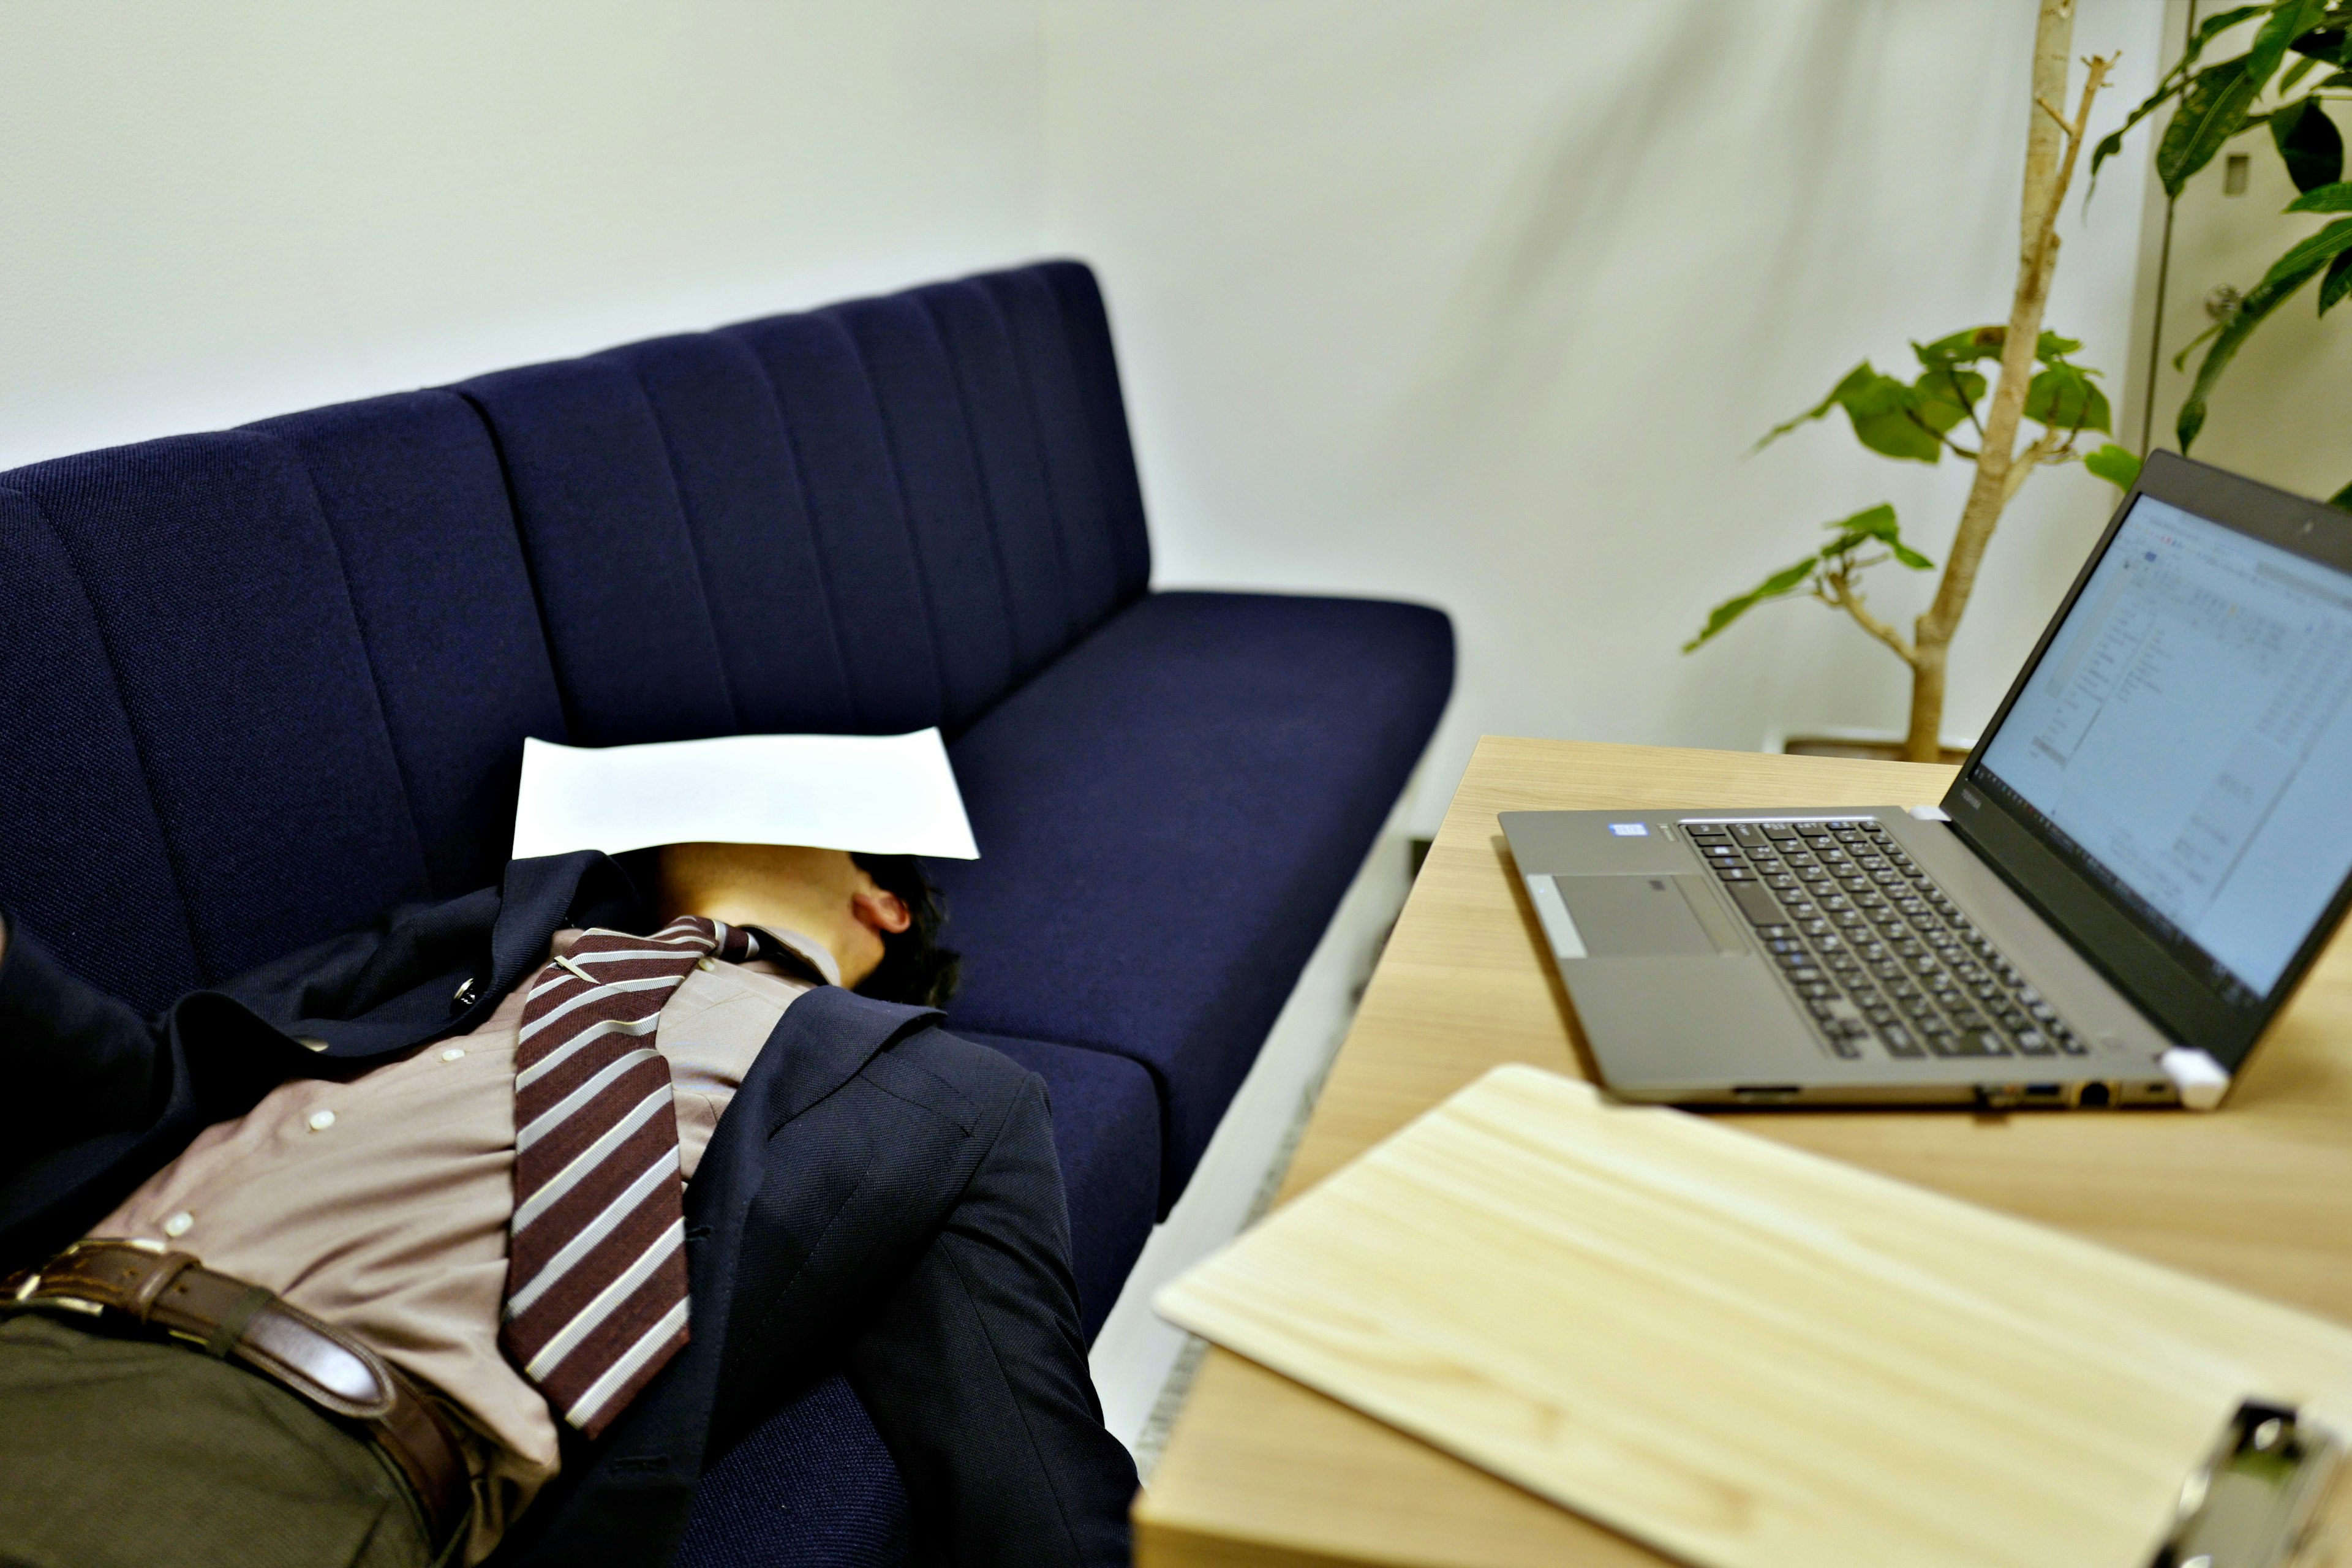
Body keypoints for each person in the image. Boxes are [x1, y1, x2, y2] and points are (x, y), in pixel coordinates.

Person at [0, 842, 1136, 1568]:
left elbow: (1027, 1459)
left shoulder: (946, 1093)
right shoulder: (505, 925)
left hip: (281, 1443)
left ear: (880, 901)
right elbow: (156, 1082)